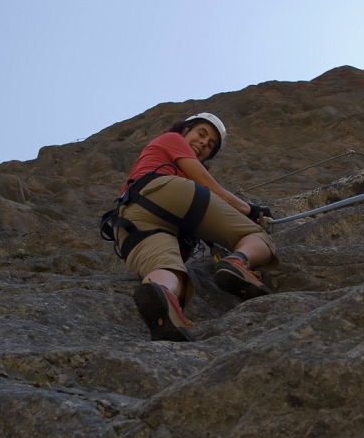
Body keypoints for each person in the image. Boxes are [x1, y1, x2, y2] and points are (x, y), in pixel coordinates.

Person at [113, 112, 278, 342]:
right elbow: (212, 189)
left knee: (172, 272)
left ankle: (164, 295)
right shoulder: (173, 139)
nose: (203, 143)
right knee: (257, 236)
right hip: (166, 191)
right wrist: (251, 210)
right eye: (201, 134)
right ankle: (238, 261)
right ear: (184, 130)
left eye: (210, 144)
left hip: (128, 221)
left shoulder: (158, 153)